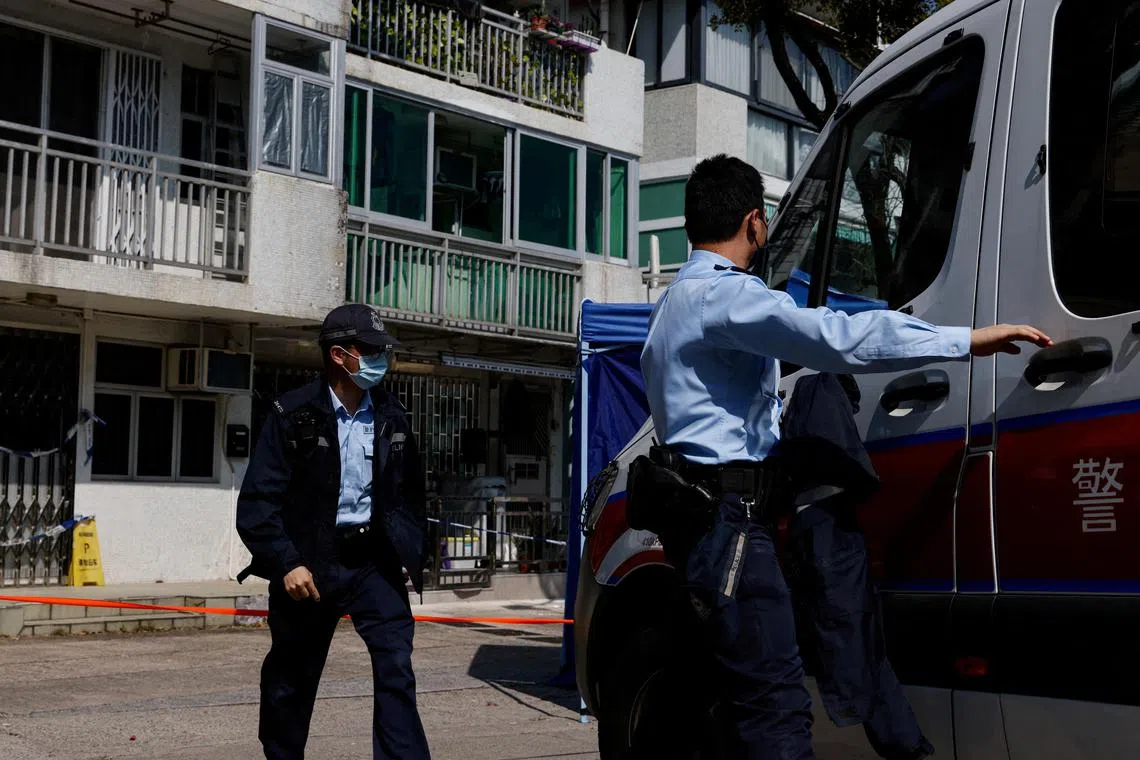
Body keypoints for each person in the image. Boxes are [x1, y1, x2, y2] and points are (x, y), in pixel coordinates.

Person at [639, 154, 1052, 759]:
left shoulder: (674, 301)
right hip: (732, 528)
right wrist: (964, 340)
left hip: (702, 524)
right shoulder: (723, 297)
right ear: (754, 222)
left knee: (720, 706)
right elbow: (835, 336)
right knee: (777, 709)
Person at [236, 304, 431, 760]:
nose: (381, 359)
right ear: (340, 355)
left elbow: (411, 493)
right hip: (310, 564)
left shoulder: (391, 414)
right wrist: (287, 562)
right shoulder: (292, 414)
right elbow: (257, 504)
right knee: (291, 679)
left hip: (373, 561)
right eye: (372, 350)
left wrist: (410, 548)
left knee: (396, 665)